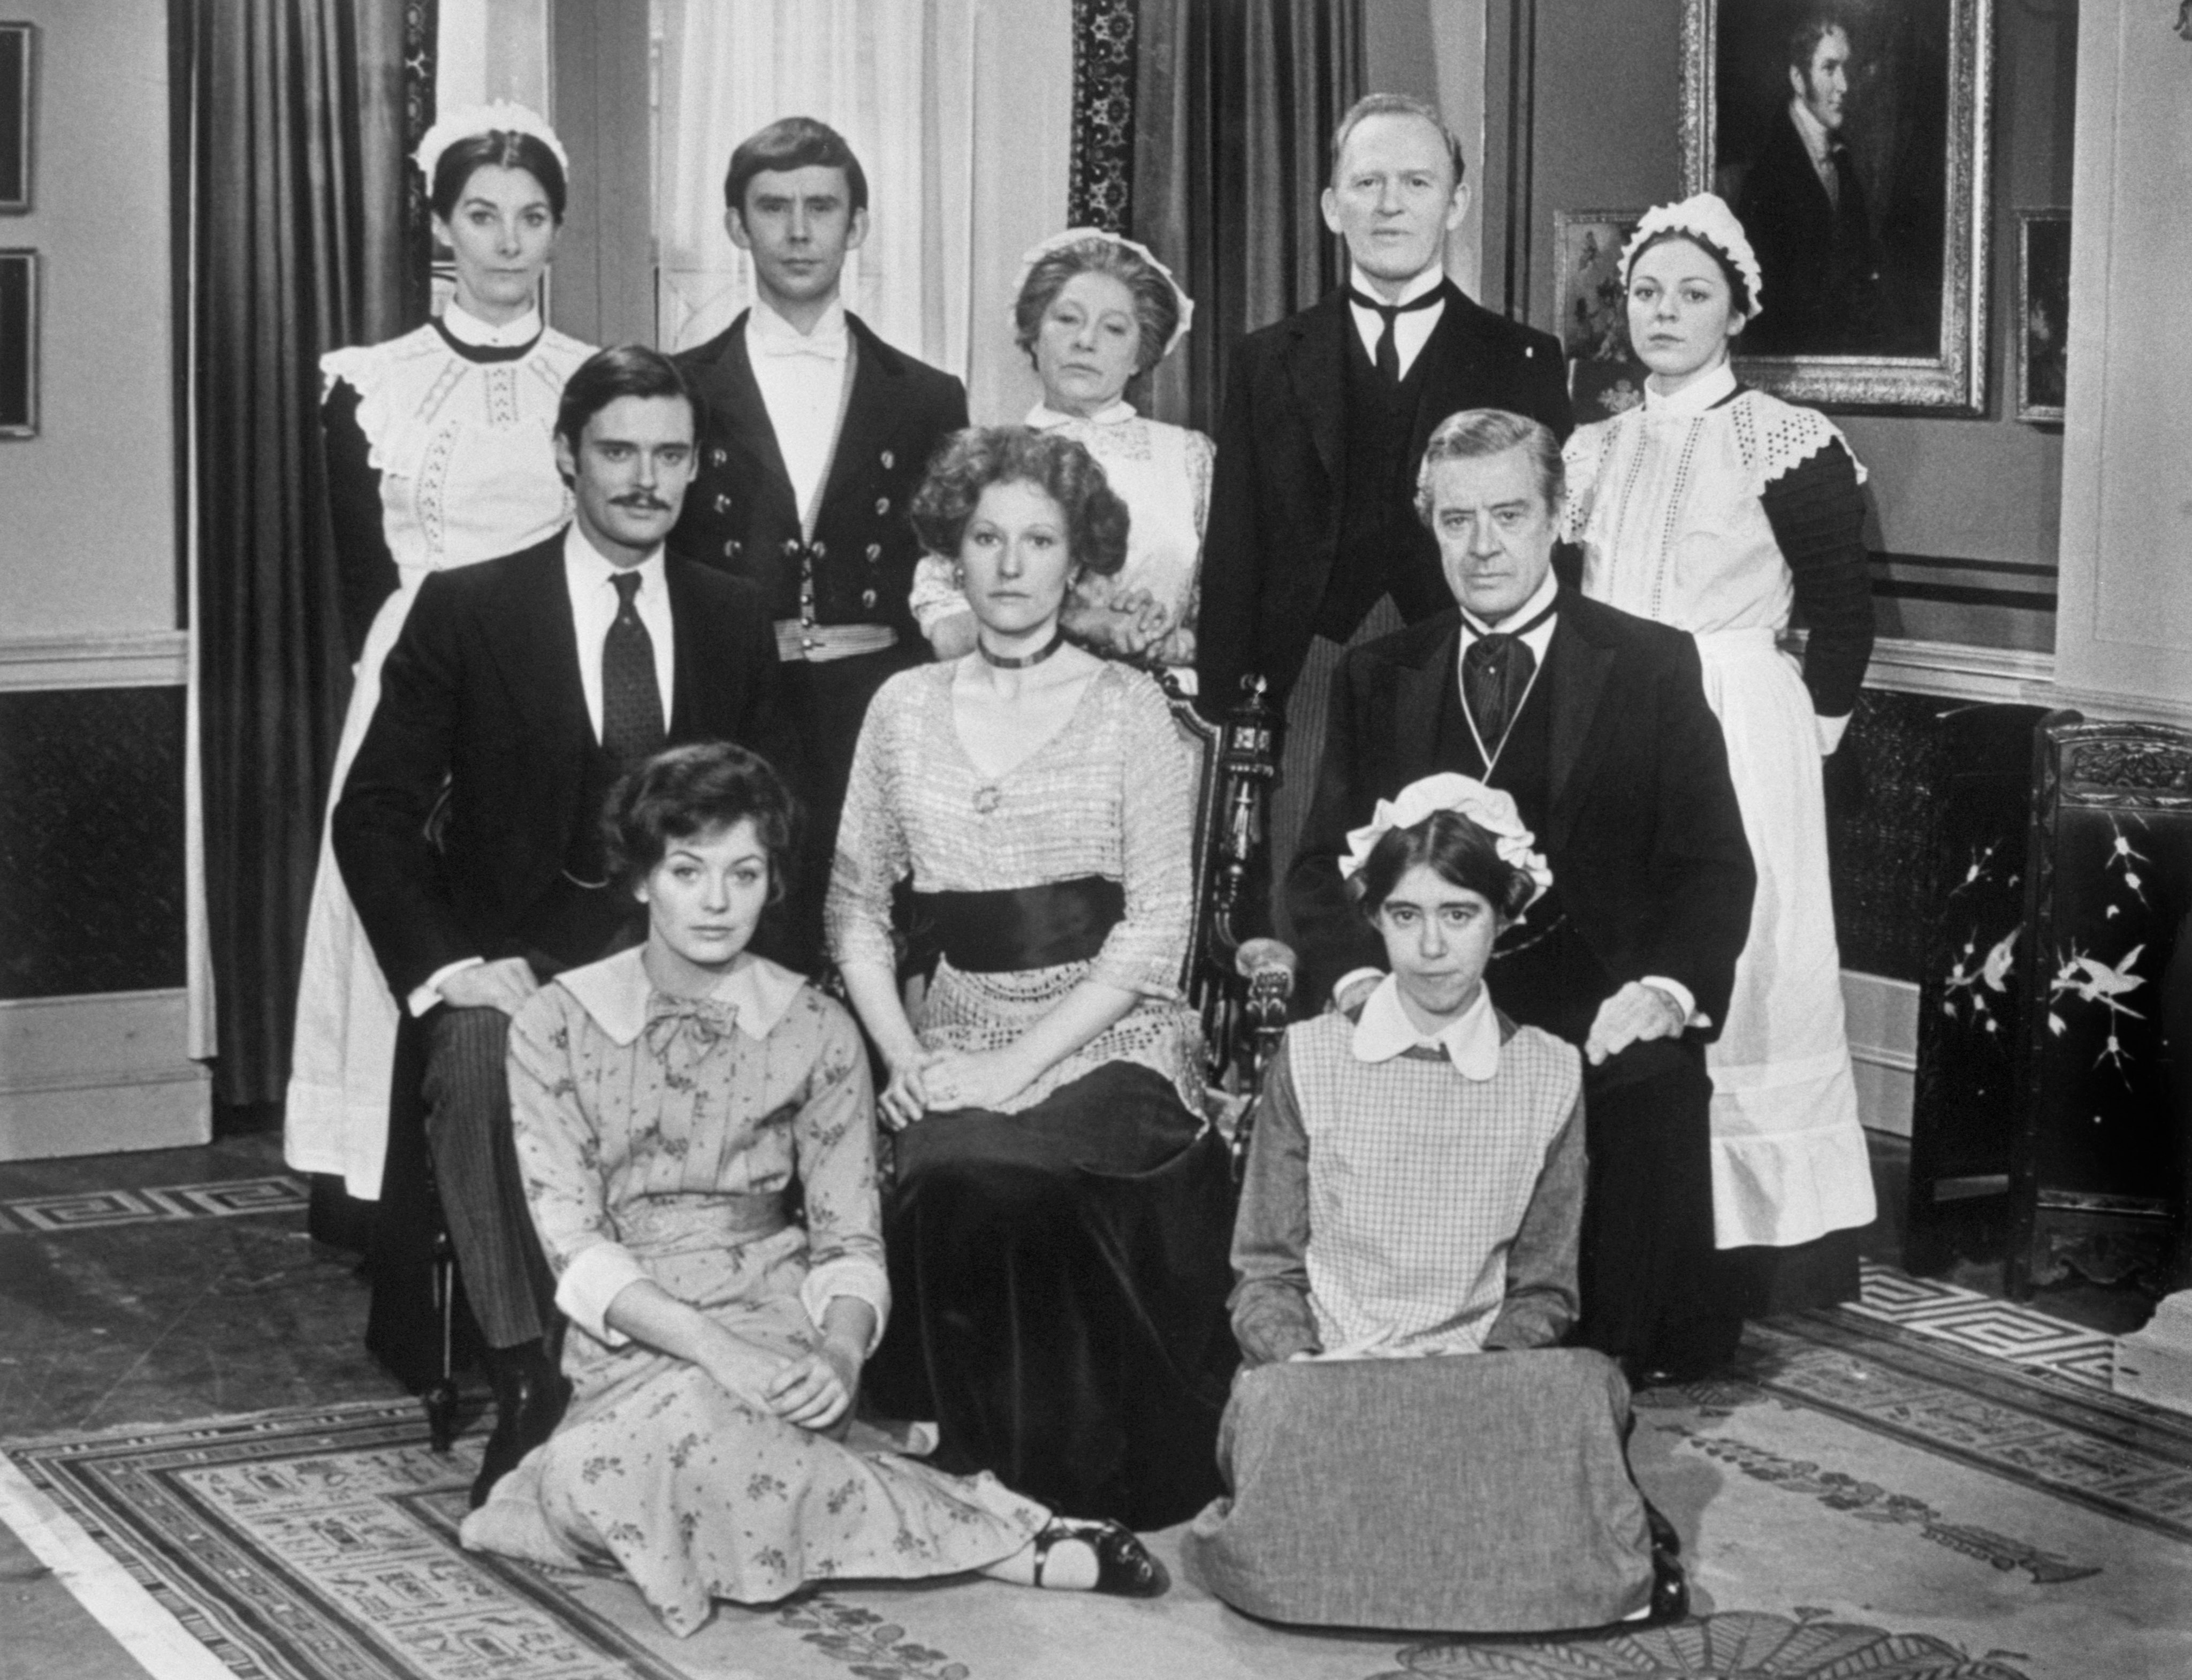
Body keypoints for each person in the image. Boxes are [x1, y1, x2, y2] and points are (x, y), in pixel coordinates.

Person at [460, 743, 1166, 1637]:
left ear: (773, 882)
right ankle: (994, 1535)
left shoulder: (820, 1027)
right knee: (607, 1462)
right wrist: (719, 1352)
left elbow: (848, 1241)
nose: (717, 901)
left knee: (680, 1450)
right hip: (631, 1330)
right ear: (641, 880)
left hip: (770, 1305)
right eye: (688, 870)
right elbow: (576, 1246)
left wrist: (837, 1352)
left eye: (744, 872)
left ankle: (818, 1480)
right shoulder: (553, 1020)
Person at [333, 344, 787, 1506]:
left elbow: (783, 815)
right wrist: (446, 971)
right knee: (481, 1053)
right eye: (618, 451)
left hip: (693, 969)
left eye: (670, 455)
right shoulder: (471, 608)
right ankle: (528, 1373)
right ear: (565, 458)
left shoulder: (736, 618)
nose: (645, 479)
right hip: (522, 973)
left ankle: (712, 1357)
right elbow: (373, 813)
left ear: (694, 470)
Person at [1287, 408, 1756, 1385]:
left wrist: (1666, 987)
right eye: (1456, 520)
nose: (1483, 544)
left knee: (1652, 1084)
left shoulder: (1653, 664)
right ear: (1431, 525)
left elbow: (1713, 866)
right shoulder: (1380, 672)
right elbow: (1320, 866)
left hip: (1592, 998)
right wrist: (1358, 982)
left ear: (1558, 516)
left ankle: (1598, 1378)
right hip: (1423, 990)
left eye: (1508, 513)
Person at [826, 427, 1237, 1529]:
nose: (1010, 565)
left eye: (1039, 539)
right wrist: (909, 1060)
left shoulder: (1130, 710)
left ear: (1078, 558)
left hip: (1113, 1036)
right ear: (951, 555)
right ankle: (963, 1461)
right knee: (954, 1163)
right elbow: (855, 914)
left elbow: (1157, 932)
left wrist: (1012, 1069)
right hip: (952, 1032)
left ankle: (1076, 1472)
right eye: (986, 537)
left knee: (1022, 1165)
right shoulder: (899, 710)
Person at [1185, 778, 1682, 1631]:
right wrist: (1302, 1361)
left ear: (1504, 916)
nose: (1432, 946)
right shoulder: (1309, 1059)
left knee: (1590, 1385)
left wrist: (1480, 1369)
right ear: (1373, 918)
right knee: (1271, 1415)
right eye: (1406, 915)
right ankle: (1501, 1554)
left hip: (1473, 1382)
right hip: (1332, 1383)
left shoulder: (1552, 1072)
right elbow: (1264, 1269)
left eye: (1460, 914)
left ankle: (1391, 1553)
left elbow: (1543, 1291)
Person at [1562, 194, 1877, 1309]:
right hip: (1607, 715)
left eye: (1692, 294)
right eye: (1646, 292)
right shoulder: (1589, 444)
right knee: (1620, 944)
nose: (1663, 312)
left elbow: (1842, 612)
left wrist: (1801, 735)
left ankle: (1756, 1245)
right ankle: (1619, 1220)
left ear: (1733, 312)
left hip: (1738, 713)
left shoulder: (1781, 439)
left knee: (1746, 958)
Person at [287, 102, 595, 1212]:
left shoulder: (596, 379)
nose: (507, 241)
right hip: (415, 676)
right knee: (401, 900)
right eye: (481, 215)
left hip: (557, 681)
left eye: (530, 217)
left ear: (556, 231)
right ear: (440, 227)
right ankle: (386, 1192)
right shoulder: (368, 381)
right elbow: (358, 577)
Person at [1194, 92, 1573, 939]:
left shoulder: (1523, 359)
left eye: (1416, 180)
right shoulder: (1265, 359)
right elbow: (1236, 545)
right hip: (1310, 679)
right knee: (1306, 918)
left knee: (1454, 911)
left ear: (1456, 202)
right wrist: (1227, 716)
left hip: (1466, 671)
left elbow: (1552, 547)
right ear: (1333, 206)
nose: (1391, 203)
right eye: (1367, 182)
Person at [668, 116, 968, 960]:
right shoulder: (679, 385)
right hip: (730, 697)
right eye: (773, 208)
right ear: (737, 224)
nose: (799, 232)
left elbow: (945, 567)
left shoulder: (928, 397)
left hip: (877, 700)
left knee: (872, 932)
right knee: (740, 931)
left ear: (858, 225)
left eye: (822, 208)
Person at [908, 229, 1211, 683]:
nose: (1085, 341)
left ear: (1140, 354)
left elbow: (1230, 616)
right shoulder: (985, 458)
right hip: (1017, 703)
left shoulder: (1190, 458)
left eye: (1113, 328)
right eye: (1067, 319)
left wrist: (1167, 637)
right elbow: (948, 634)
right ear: (1033, 335)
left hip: (1163, 707)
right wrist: (1079, 617)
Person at [1735, 13, 1883, 353]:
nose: (1844, 86)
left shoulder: (1842, 157)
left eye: (1846, 69)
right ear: (1798, 79)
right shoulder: (1767, 171)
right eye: (1829, 69)